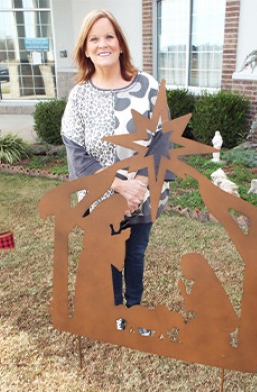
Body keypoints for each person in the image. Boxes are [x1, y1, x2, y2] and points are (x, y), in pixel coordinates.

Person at [61, 9, 173, 336]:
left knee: (135, 253)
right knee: (109, 254)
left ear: (121, 44)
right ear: (85, 49)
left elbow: (163, 140)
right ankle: (114, 312)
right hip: (102, 197)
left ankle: (134, 313)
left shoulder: (148, 86)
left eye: (109, 36)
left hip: (144, 191)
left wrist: (138, 185)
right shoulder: (79, 96)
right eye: (94, 39)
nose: (103, 44)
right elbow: (76, 151)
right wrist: (120, 187)